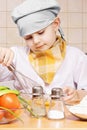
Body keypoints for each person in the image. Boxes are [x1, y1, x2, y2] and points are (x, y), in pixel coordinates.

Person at [0, 0, 87, 104]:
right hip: (28, 117)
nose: (36, 41)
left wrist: (77, 94)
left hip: (64, 117)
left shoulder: (76, 57)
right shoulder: (16, 56)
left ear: (55, 24)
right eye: (28, 37)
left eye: (41, 32)